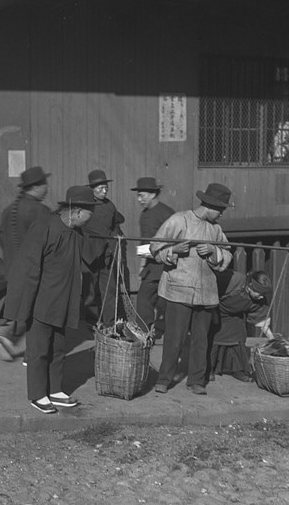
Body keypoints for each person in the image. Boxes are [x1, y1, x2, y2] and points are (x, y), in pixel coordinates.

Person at [3, 185, 101, 414]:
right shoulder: (45, 227)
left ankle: (55, 389)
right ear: (77, 211)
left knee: (58, 348)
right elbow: (27, 266)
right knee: (39, 349)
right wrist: (23, 305)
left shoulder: (75, 233)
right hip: (41, 301)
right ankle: (38, 394)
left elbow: (88, 258)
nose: (90, 218)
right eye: (89, 213)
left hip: (63, 301)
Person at [150, 182, 233, 395]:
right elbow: (154, 247)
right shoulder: (179, 220)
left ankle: (196, 380)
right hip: (179, 290)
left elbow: (227, 254)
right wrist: (174, 249)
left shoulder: (215, 229)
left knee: (201, 340)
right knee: (174, 339)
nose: (221, 215)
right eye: (220, 210)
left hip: (206, 291)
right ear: (209, 205)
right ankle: (164, 379)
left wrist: (214, 251)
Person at [0, 166, 52, 362]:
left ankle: (12, 341)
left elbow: (2, 238)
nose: (47, 188)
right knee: (39, 313)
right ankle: (27, 351)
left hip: (13, 270)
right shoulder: (41, 211)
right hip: (34, 271)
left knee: (28, 310)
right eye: (44, 184)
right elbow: (48, 243)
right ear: (35, 187)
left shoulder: (10, 210)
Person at [208, 269, 275, 383]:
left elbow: (261, 318)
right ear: (250, 287)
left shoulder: (259, 299)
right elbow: (210, 283)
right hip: (216, 309)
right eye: (259, 293)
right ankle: (209, 369)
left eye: (264, 295)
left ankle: (237, 369)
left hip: (235, 316)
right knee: (215, 337)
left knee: (239, 336)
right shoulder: (235, 280)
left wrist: (272, 339)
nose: (261, 297)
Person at [81, 169, 126, 326]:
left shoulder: (109, 205)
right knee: (90, 292)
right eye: (100, 188)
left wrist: (117, 236)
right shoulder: (85, 205)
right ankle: (93, 323)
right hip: (89, 255)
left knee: (110, 289)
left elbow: (115, 224)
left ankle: (110, 322)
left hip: (107, 255)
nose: (104, 190)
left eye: (106, 187)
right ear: (92, 189)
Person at [131, 176, 175, 338]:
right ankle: (156, 330)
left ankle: (143, 333)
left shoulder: (159, 214)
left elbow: (149, 245)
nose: (139, 199)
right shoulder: (160, 212)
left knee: (144, 300)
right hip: (159, 265)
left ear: (152, 194)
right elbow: (145, 243)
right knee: (160, 301)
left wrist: (143, 264)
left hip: (161, 265)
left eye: (141, 195)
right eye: (138, 195)